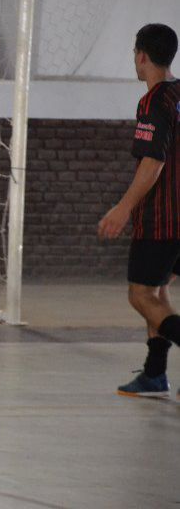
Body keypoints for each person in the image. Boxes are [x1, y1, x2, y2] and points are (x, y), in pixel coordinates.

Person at [98, 23, 180, 398]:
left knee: (140, 295)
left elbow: (153, 163)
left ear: (142, 55)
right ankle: (154, 374)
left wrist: (123, 207)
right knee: (160, 290)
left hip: (162, 218)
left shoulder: (154, 101)